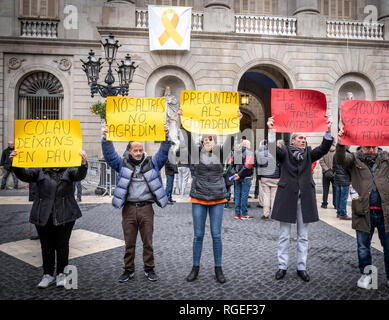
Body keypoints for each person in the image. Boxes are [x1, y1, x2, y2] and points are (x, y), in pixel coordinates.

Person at [335, 127, 389, 294]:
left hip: (387, 213)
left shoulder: (387, 157)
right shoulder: (353, 159)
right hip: (364, 212)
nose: (371, 150)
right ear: (360, 146)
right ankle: (366, 274)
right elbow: (340, 159)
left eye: (374, 147)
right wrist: (341, 143)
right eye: (367, 147)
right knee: (363, 247)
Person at [178, 109, 242, 284]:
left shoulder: (221, 153)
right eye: (206, 139)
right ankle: (195, 267)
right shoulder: (195, 153)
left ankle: (218, 268)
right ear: (201, 141)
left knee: (216, 235)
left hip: (217, 198)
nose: (208, 141)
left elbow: (230, 139)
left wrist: (236, 122)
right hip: (199, 197)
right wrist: (182, 119)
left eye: (211, 139)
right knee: (198, 235)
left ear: (215, 141)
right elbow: (187, 136)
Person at [101, 125, 171, 283]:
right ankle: (128, 270)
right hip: (129, 209)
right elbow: (110, 156)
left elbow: (164, 153)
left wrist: (166, 137)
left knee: (148, 242)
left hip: (146, 208)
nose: (138, 153)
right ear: (129, 151)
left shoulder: (152, 163)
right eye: (135, 150)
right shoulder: (122, 163)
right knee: (129, 242)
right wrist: (105, 138)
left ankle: (149, 268)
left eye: (140, 150)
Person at [267, 116, 333, 282]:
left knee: (303, 236)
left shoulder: (310, 154)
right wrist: (270, 130)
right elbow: (273, 148)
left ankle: (301, 267)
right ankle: (282, 266)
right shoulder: (285, 154)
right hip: (286, 197)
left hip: (305, 199)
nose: (303, 141)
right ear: (293, 141)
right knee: (284, 235)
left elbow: (324, 148)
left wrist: (328, 131)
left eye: (305, 138)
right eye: (300, 138)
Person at [10, 150, 88, 288]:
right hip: (43, 214)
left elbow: (79, 175)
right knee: (46, 246)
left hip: (65, 215)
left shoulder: (69, 170)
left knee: (62, 246)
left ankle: (62, 274)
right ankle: (47, 274)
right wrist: (15, 163)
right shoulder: (39, 170)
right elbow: (25, 175)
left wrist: (83, 163)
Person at [255, 140, 280, 220]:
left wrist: (259, 176)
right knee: (274, 197)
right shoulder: (277, 154)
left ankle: (265, 214)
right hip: (275, 177)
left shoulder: (261, 154)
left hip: (265, 177)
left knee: (266, 196)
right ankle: (274, 215)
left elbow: (258, 166)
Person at [231, 139, 255, 220]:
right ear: (247, 145)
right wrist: (239, 174)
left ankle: (237, 214)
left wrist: (235, 174)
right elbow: (247, 166)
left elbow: (231, 165)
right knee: (244, 195)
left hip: (237, 176)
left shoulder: (236, 152)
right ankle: (244, 213)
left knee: (237, 195)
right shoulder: (250, 153)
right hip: (245, 177)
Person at [333, 145, 352, 220]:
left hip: (337, 177)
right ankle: (343, 214)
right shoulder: (347, 155)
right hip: (345, 178)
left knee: (338, 196)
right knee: (344, 197)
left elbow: (333, 166)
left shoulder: (335, 154)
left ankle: (338, 212)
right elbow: (349, 169)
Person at [319, 140, 336, 209]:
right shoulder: (337, 151)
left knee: (325, 189)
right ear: (334, 143)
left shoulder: (324, 150)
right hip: (334, 172)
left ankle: (324, 203)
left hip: (325, 172)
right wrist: (334, 170)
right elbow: (338, 161)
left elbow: (321, 161)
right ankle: (335, 204)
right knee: (335, 189)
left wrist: (326, 169)